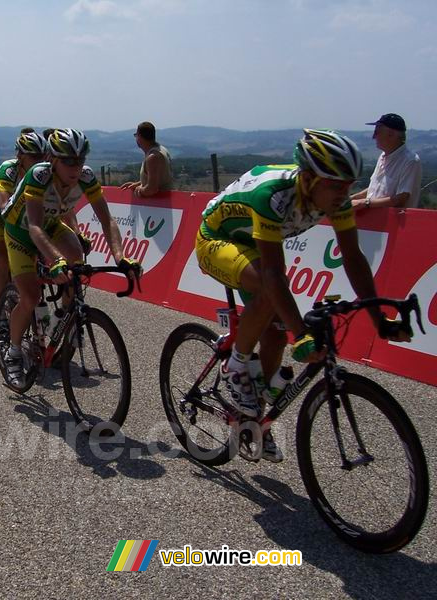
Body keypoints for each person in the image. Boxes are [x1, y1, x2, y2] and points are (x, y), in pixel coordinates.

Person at [196, 129, 413, 462]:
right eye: (336, 186)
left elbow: (353, 258)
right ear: (309, 179)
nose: (344, 194)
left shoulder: (335, 199)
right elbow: (273, 275)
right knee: (271, 289)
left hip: (255, 244)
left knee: (276, 335)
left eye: (349, 185)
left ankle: (254, 421)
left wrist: (379, 319)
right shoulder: (273, 195)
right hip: (216, 238)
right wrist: (302, 334)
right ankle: (235, 367)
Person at [0, 128, 139, 386]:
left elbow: (107, 220)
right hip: (21, 231)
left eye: (80, 160)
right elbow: (34, 227)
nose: (76, 167)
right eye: (68, 161)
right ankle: (14, 353)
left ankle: (59, 322)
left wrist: (121, 258)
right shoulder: (39, 175)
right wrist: (55, 260)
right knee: (30, 297)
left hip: (51, 224)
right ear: (53, 160)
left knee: (77, 259)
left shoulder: (86, 177)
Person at [0, 131, 48, 310]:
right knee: (3, 258)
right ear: (20, 156)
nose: (39, 161)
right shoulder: (9, 169)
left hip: (17, 213)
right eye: (34, 157)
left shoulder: (43, 173)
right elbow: (3, 205)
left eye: (42, 156)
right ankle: (0, 311)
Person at [351, 113, 422, 210]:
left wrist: (363, 203)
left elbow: (401, 198)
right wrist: (351, 199)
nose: (374, 136)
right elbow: (374, 188)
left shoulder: (410, 161)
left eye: (377, 132)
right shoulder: (382, 156)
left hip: (394, 219)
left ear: (391, 134)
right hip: (374, 218)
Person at [120, 121, 173, 197]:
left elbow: (152, 189)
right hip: (167, 200)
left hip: (158, 202)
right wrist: (137, 184)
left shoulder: (152, 158)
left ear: (140, 137)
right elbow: (158, 179)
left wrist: (140, 190)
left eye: (136, 135)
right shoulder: (162, 150)